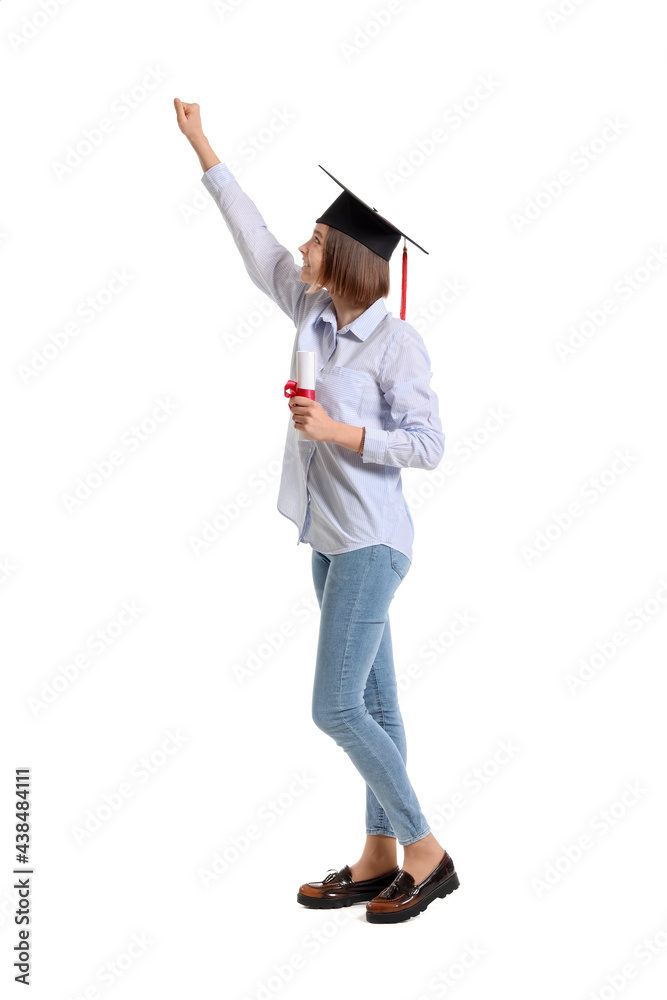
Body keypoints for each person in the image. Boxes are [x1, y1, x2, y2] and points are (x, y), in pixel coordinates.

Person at [174, 98, 460, 923]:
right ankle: (377, 858)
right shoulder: (310, 309)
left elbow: (428, 443)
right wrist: (202, 145)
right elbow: (252, 235)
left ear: (344, 259)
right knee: (374, 705)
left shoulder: (395, 343)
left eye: (315, 240)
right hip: (328, 542)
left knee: (333, 708)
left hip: (373, 541)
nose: (301, 246)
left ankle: (423, 849)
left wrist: (339, 430)